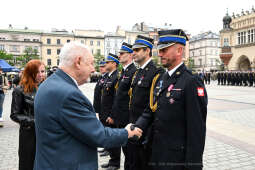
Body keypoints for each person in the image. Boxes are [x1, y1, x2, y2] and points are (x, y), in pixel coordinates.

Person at [33, 42, 142, 170]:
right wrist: (126, 132)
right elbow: (99, 135)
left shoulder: (49, 84)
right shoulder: (68, 94)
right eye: (90, 63)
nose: (93, 69)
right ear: (78, 62)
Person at [135, 29, 208, 170]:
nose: (160, 54)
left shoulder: (191, 81)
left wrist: (193, 165)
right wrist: (137, 126)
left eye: (164, 50)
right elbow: (151, 109)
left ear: (179, 50)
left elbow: (196, 129)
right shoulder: (162, 78)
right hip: (156, 152)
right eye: (159, 50)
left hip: (176, 160)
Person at [128, 35, 164, 170]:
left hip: (144, 131)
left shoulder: (156, 73)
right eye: (133, 50)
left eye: (137, 50)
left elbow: (153, 106)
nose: (134, 53)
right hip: (133, 126)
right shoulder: (138, 72)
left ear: (147, 51)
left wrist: (146, 132)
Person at [10, 60, 45, 170]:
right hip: (29, 134)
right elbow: (14, 114)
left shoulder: (45, 87)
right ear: (30, 72)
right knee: (27, 163)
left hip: (45, 133)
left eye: (43, 71)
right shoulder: (19, 90)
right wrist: (34, 121)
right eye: (37, 72)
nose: (41, 74)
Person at [111, 42, 137, 170]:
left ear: (131, 55)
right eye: (119, 54)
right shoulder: (124, 71)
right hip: (120, 118)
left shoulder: (134, 72)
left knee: (130, 153)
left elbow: (131, 99)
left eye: (122, 54)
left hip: (127, 119)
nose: (119, 56)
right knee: (125, 151)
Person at [100, 53, 121, 170]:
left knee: (113, 139)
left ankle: (115, 163)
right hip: (105, 114)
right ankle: (112, 160)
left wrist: (112, 115)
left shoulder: (116, 77)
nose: (105, 64)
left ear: (114, 64)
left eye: (108, 62)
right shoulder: (108, 77)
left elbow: (116, 99)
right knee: (108, 138)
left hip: (111, 115)